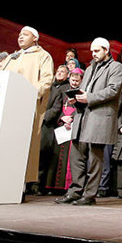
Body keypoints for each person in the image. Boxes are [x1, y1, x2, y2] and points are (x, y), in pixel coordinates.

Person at [55, 38, 122, 206]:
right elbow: (84, 90)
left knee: (95, 158)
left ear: (106, 50)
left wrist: (88, 98)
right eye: (92, 51)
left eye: (97, 51)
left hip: (99, 116)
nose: (93, 54)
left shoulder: (116, 67)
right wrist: (76, 98)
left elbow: (113, 90)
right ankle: (75, 191)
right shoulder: (91, 67)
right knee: (76, 154)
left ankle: (90, 194)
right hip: (82, 116)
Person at [2, 26, 55, 190]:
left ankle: (20, 184)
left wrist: (31, 93)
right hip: (5, 106)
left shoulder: (43, 56)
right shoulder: (12, 57)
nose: (20, 37)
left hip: (26, 106)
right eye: (19, 35)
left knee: (23, 145)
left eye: (25, 35)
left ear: (35, 38)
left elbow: (47, 80)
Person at [39, 65, 70, 193]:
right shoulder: (40, 89)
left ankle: (38, 185)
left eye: (62, 71)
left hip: (47, 125)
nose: (59, 73)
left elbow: (56, 108)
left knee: (42, 155)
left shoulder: (57, 92)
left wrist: (41, 117)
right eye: (57, 71)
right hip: (34, 124)